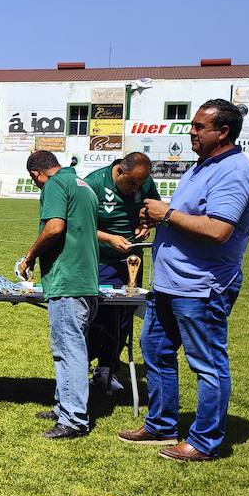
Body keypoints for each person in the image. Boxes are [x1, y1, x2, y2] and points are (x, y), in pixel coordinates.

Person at [118, 99, 249, 462]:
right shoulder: (202, 167)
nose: (191, 131)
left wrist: (167, 214)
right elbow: (186, 217)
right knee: (156, 351)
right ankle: (161, 424)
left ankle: (205, 442)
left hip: (201, 287)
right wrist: (159, 217)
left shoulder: (233, 171)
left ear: (223, 132)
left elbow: (218, 230)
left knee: (208, 365)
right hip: (169, 284)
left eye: (199, 127)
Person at [18, 150, 99, 439]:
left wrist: (29, 257)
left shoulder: (54, 185)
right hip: (87, 279)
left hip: (68, 280)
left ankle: (74, 419)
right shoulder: (82, 185)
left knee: (68, 350)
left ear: (36, 174)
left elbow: (54, 228)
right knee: (74, 347)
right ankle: (64, 406)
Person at [83, 152, 158, 394]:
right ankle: (84, 363)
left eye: (139, 184)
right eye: (131, 183)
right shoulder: (94, 183)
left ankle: (108, 368)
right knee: (99, 314)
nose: (135, 188)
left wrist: (145, 224)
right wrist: (109, 239)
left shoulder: (144, 182)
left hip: (132, 261)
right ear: (120, 170)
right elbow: (79, 224)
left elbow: (152, 211)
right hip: (101, 260)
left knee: (125, 314)